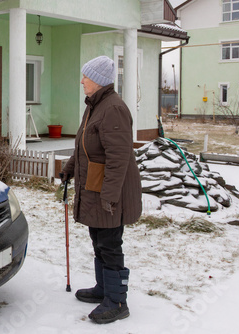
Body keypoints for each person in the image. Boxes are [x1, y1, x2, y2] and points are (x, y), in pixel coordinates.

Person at [60, 55, 142, 324]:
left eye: (87, 77)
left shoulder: (113, 109)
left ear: (100, 81)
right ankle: (104, 289)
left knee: (110, 245)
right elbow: (83, 145)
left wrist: (110, 197)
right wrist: (69, 168)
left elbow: (118, 159)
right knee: (99, 241)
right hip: (94, 187)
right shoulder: (95, 106)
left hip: (108, 191)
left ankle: (118, 301)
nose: (82, 81)